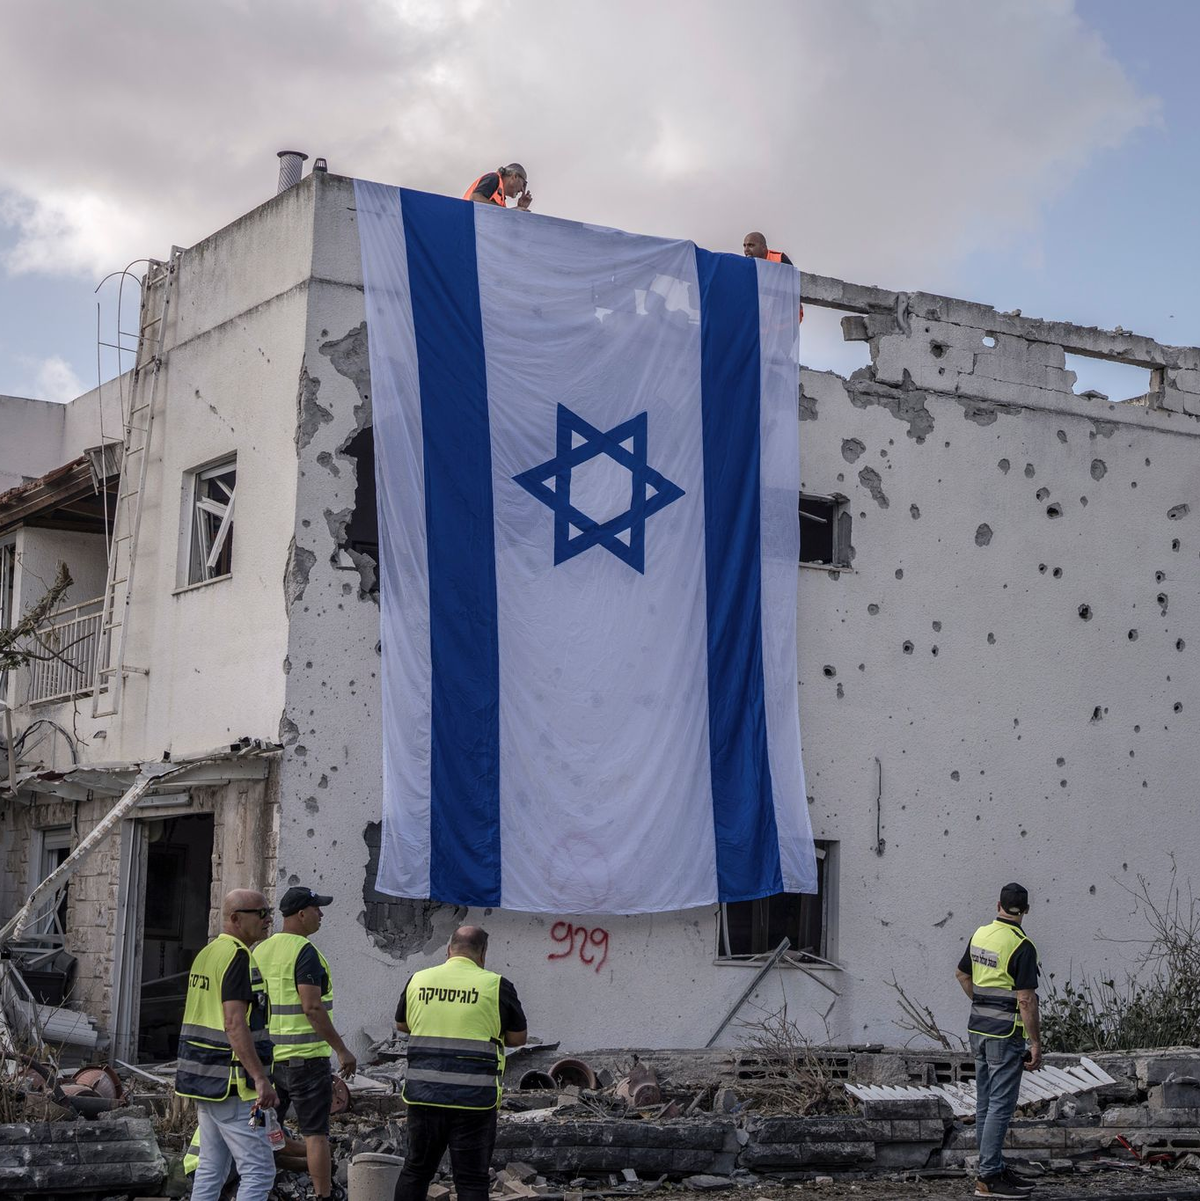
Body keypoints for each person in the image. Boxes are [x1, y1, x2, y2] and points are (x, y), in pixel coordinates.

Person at [393, 926, 528, 1201]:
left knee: (416, 1170)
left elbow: (402, 1023)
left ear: (448, 949)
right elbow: (518, 1037)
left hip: (425, 1095)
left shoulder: (418, 980)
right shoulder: (496, 985)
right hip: (474, 1100)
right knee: (471, 1180)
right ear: (483, 954)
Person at [254, 886, 356, 1201]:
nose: (321, 914)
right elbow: (312, 1007)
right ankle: (323, 1196)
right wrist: (342, 1049)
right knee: (316, 1134)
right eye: (317, 909)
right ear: (301, 914)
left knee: (265, 1130)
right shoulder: (304, 952)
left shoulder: (259, 950)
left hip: (269, 1061)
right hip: (306, 1060)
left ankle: (259, 1187)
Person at [176, 889, 278, 1201]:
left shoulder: (208, 954)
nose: (268, 919)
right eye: (260, 913)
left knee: (211, 1165)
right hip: (232, 1084)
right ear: (235, 918)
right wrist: (260, 1078)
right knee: (259, 1172)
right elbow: (234, 1023)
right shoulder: (237, 957)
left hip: (204, 1078)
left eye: (268, 911)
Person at [955, 883, 1042, 1199]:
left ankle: (992, 1167)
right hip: (1005, 1035)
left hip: (977, 1030)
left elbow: (962, 975)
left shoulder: (980, 935)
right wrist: (1035, 1042)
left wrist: (981, 1004)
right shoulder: (1022, 945)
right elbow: (1026, 999)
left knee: (986, 1101)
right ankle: (989, 1176)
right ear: (1026, 911)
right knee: (1000, 1107)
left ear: (998, 905)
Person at [463, 163, 533, 210]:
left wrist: (520, 208)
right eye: (524, 184)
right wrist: (510, 211)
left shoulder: (501, 200)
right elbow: (475, 197)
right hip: (465, 221)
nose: (522, 190)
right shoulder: (494, 178)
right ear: (515, 176)